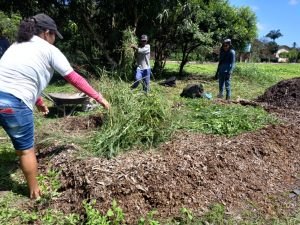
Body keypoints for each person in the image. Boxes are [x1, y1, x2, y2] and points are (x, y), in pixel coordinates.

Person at [0, 13, 110, 199]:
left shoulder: (16, 46)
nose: (54, 40)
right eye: (53, 36)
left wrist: (40, 103)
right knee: (26, 151)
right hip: (14, 105)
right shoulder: (50, 51)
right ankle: (35, 192)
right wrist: (101, 98)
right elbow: (73, 78)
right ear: (46, 33)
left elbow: (22, 77)